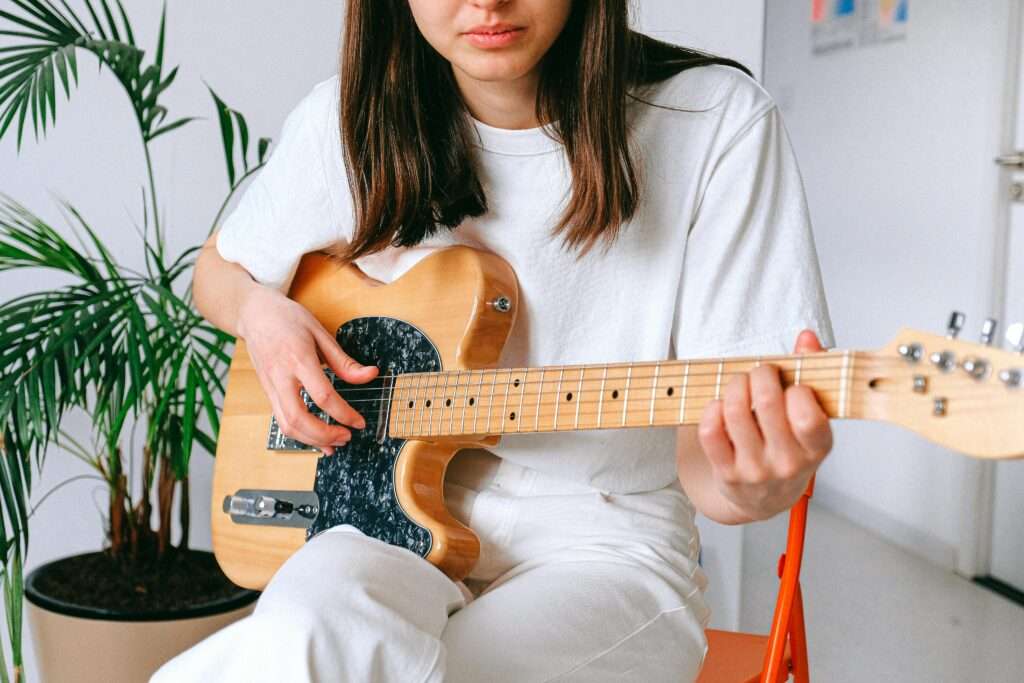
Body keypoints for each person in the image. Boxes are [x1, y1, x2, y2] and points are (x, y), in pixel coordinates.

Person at [154, 1, 835, 681]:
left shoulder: (715, 122)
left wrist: (754, 481)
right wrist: (260, 315)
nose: (486, 2)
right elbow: (218, 270)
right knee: (298, 632)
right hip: (379, 525)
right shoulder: (351, 121)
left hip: (608, 550)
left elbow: (716, 478)